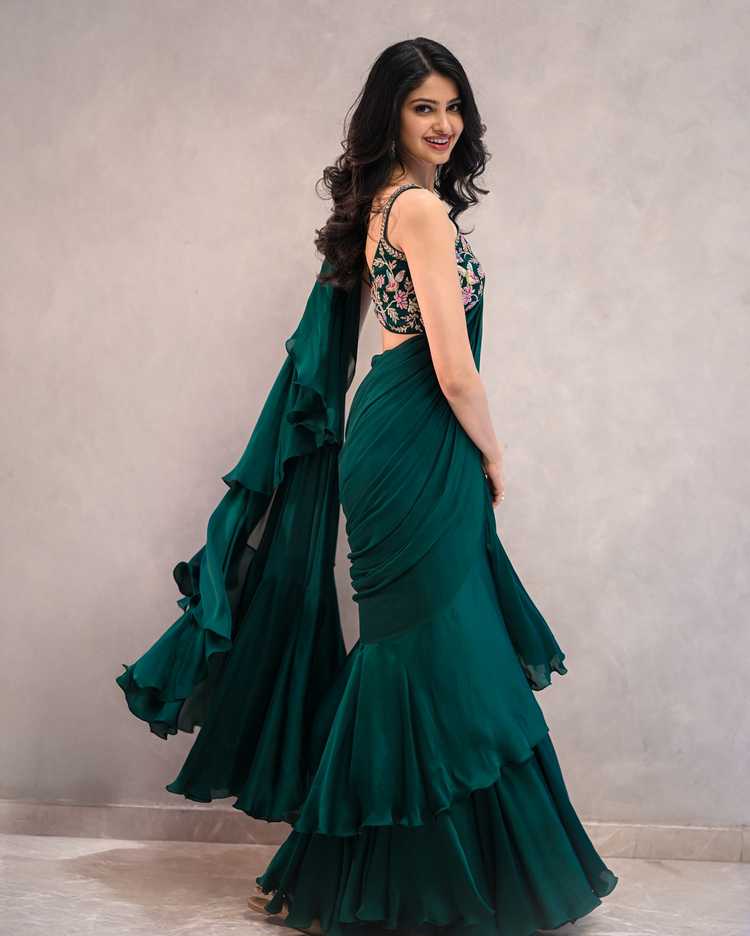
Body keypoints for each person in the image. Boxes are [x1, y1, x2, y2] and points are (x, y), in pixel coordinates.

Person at [116, 37, 618, 936]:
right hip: (420, 438)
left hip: (393, 433)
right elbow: (454, 368)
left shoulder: (385, 203)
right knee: (428, 650)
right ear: (392, 114)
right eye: (424, 107)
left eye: (453, 107)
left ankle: (347, 876)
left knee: (423, 652)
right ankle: (390, 880)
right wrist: (495, 453)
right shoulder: (419, 211)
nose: (444, 123)